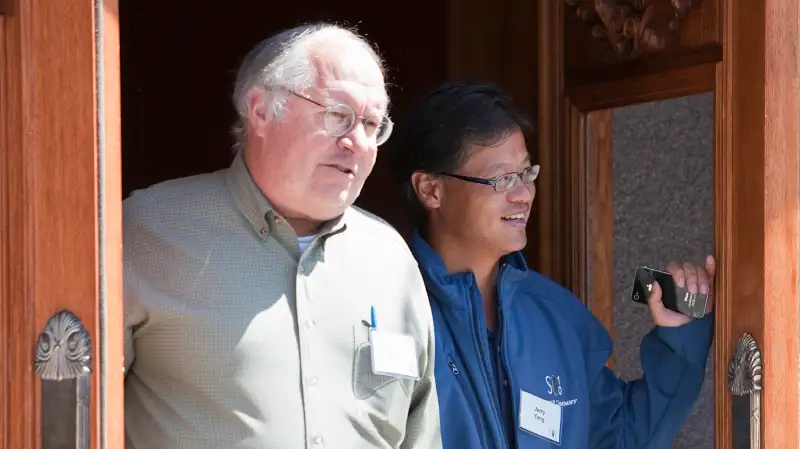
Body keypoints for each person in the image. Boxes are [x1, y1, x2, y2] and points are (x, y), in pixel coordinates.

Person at [122, 23, 441, 449]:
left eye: (372, 124)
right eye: (337, 115)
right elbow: (69, 412)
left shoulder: (391, 260)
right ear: (260, 110)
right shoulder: (148, 230)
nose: (357, 142)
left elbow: (419, 434)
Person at [384, 81, 715, 449]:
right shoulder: (387, 314)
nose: (523, 194)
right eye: (502, 179)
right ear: (431, 190)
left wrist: (679, 341)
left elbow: (620, 439)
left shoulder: (555, 315)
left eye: (526, 173)